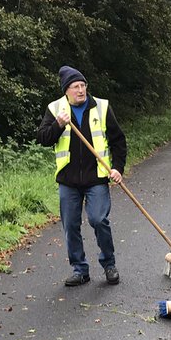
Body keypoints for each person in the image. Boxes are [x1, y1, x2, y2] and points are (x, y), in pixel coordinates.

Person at [37, 66, 127, 286]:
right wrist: (58, 123)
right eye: (75, 87)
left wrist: (117, 168)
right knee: (71, 225)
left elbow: (118, 140)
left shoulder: (101, 107)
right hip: (68, 180)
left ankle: (109, 265)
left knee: (98, 220)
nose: (80, 90)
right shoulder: (55, 109)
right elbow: (43, 138)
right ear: (66, 90)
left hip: (96, 178)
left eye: (83, 85)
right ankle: (80, 270)